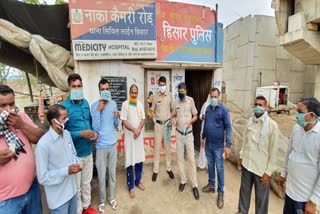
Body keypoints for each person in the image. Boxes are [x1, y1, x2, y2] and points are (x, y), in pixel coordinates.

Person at [0, 84, 44, 213]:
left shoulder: (21, 117)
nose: (9, 109)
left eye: (12, 104)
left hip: (32, 189)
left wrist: (21, 125)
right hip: (6, 201)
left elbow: (39, 138)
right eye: (2, 106)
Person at [61, 74, 97, 214]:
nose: (77, 88)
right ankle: (78, 210)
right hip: (74, 155)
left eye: (79, 86)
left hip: (88, 150)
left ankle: (87, 207)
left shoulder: (86, 103)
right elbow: (62, 133)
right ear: (69, 88)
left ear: (82, 87)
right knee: (76, 186)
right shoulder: (64, 107)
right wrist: (80, 134)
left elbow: (89, 122)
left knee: (87, 182)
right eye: (74, 86)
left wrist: (93, 132)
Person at [237, 96, 280, 214]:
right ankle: (242, 211)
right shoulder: (250, 121)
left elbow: (274, 151)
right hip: (247, 164)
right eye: (256, 104)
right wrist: (241, 157)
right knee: (244, 192)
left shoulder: (272, 126)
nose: (257, 107)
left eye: (260, 105)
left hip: (261, 170)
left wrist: (268, 172)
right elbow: (245, 141)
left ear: (266, 107)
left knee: (261, 199)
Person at [278, 97, 320, 214]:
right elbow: (289, 152)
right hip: (290, 192)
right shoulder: (297, 129)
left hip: (305, 197)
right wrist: (283, 174)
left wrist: (313, 200)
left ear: (312, 115)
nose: (297, 115)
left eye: (300, 112)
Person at [36, 104, 80, 214]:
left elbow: (73, 153)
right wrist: (66, 171)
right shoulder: (43, 145)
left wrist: (76, 164)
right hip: (59, 199)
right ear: (54, 121)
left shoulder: (67, 134)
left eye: (67, 117)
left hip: (72, 191)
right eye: (64, 118)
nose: (67, 120)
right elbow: (42, 177)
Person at [91, 79, 120, 212]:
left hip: (113, 144)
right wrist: (98, 110)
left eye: (107, 89)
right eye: (102, 89)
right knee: (101, 176)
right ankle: (102, 201)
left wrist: (117, 117)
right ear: (99, 91)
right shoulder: (94, 106)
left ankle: (112, 198)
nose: (105, 91)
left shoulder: (113, 103)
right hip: (101, 146)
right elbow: (95, 128)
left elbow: (116, 124)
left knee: (112, 174)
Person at [201, 87, 232, 209]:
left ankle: (221, 192)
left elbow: (228, 127)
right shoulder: (208, 109)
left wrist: (228, 145)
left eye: (215, 97)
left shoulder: (224, 110)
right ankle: (211, 185)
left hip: (219, 145)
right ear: (210, 97)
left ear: (218, 97)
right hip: (208, 144)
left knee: (220, 169)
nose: (213, 99)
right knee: (210, 165)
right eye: (211, 97)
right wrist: (203, 137)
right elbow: (206, 123)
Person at [172, 82, 199, 200]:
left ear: (186, 91)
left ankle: (194, 185)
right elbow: (173, 115)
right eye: (179, 92)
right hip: (178, 134)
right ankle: (183, 180)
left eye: (182, 92)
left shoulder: (191, 101)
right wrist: (173, 120)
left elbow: (196, 115)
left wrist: (190, 122)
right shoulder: (176, 102)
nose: (180, 94)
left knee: (191, 160)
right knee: (179, 159)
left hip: (188, 135)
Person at [120, 84, 146, 199]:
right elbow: (124, 121)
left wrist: (138, 130)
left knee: (139, 159)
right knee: (130, 161)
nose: (134, 95)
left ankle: (138, 181)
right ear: (129, 93)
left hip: (138, 137)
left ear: (137, 93)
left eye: (136, 93)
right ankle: (130, 186)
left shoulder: (140, 104)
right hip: (130, 137)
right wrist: (134, 130)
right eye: (132, 92)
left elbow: (143, 119)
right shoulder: (125, 104)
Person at [150, 76, 174, 182]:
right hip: (158, 126)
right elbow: (151, 110)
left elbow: (173, 110)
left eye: (164, 85)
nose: (162, 87)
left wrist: (172, 121)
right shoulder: (155, 97)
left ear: (166, 85)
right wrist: (153, 118)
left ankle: (169, 168)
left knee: (168, 147)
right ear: (158, 85)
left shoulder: (170, 96)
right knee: (157, 147)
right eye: (160, 85)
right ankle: (156, 170)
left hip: (167, 125)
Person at [198, 95, 210, 169]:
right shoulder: (205, 105)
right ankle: (201, 165)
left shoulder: (219, 107)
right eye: (211, 97)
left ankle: (210, 167)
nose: (213, 99)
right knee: (202, 147)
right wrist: (203, 117)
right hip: (204, 130)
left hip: (212, 132)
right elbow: (200, 115)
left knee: (211, 149)